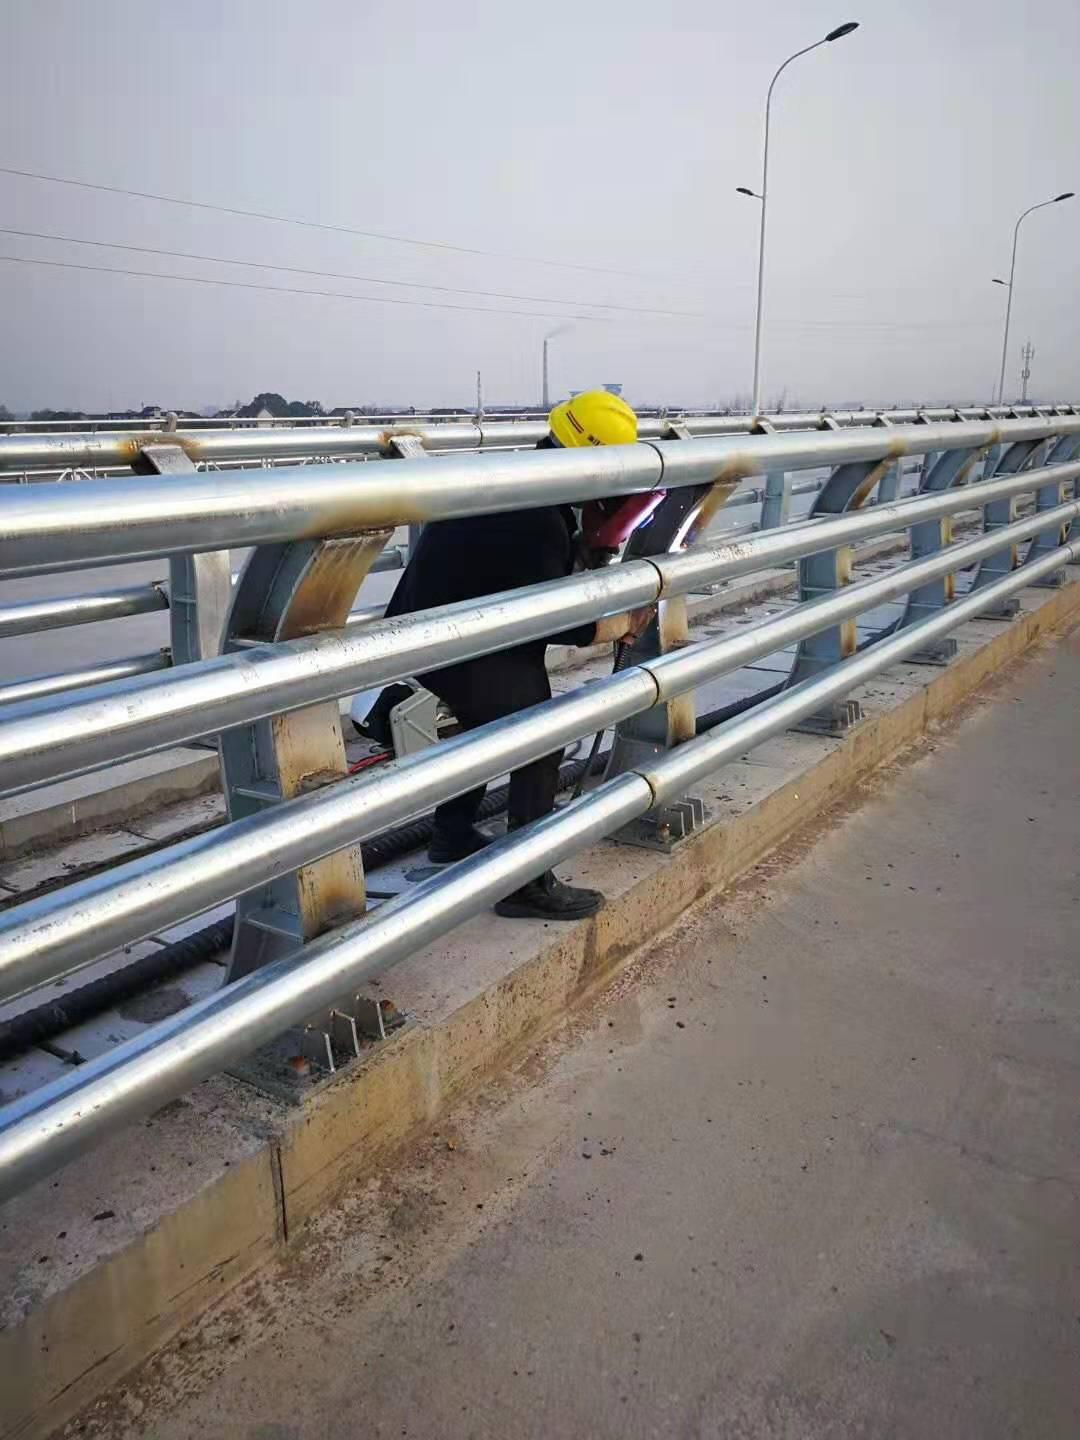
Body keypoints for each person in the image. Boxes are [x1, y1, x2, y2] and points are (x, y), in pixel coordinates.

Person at [379, 390, 653, 920]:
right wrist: (619, 623)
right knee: (538, 738)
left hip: (437, 625)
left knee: (485, 727)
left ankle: (452, 834)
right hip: (460, 639)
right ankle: (526, 882)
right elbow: (560, 621)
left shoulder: (521, 478)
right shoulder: (538, 516)